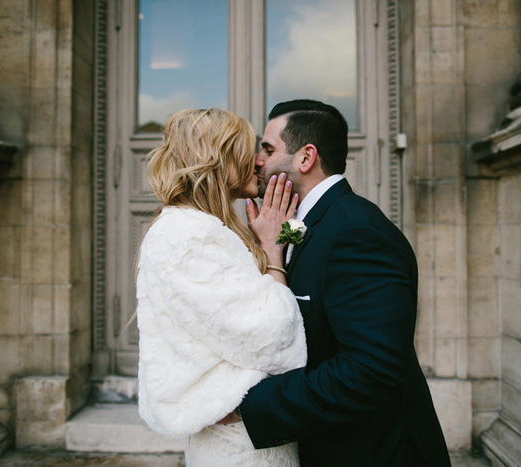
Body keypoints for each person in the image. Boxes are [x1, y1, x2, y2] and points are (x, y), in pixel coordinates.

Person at [233, 99, 451, 466]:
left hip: (375, 453)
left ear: (306, 158)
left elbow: (370, 371)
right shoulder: (307, 223)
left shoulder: (356, 232)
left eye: (268, 149)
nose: (257, 160)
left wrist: (249, 406)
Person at [135, 108, 307, 465]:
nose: (259, 162)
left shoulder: (212, 226)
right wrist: (272, 251)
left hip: (251, 433)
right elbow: (275, 339)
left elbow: (281, 262)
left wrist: (281, 235)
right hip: (241, 446)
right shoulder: (190, 234)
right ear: (218, 158)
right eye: (248, 150)